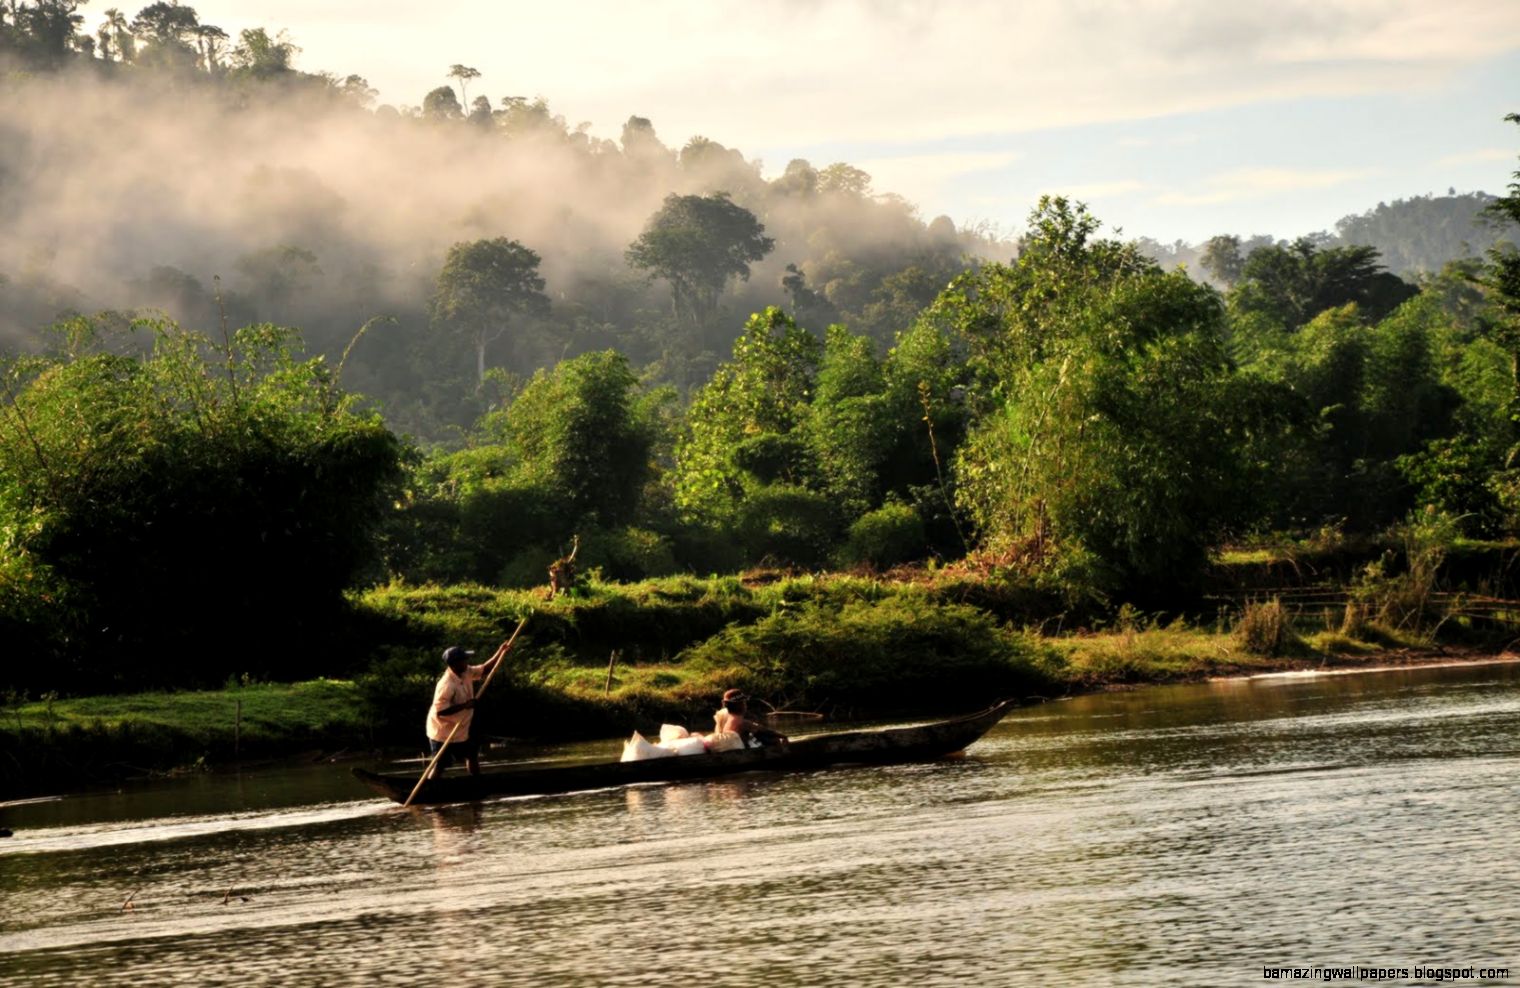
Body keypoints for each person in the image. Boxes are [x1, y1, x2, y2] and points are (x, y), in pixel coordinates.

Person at [426, 642, 509, 776]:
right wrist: (466, 705)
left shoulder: (466, 672)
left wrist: (501, 652)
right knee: (440, 764)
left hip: (461, 727)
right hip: (442, 731)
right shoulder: (446, 685)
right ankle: (429, 788)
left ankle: (476, 783)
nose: (467, 661)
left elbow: (485, 669)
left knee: (472, 755)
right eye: (464, 659)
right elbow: (440, 711)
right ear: (455, 663)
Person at [712, 688, 788, 748]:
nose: (746, 705)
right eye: (744, 703)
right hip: (740, 754)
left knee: (759, 736)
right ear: (740, 705)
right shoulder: (742, 723)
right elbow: (764, 730)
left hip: (736, 749)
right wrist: (784, 736)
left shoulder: (724, 720)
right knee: (772, 738)